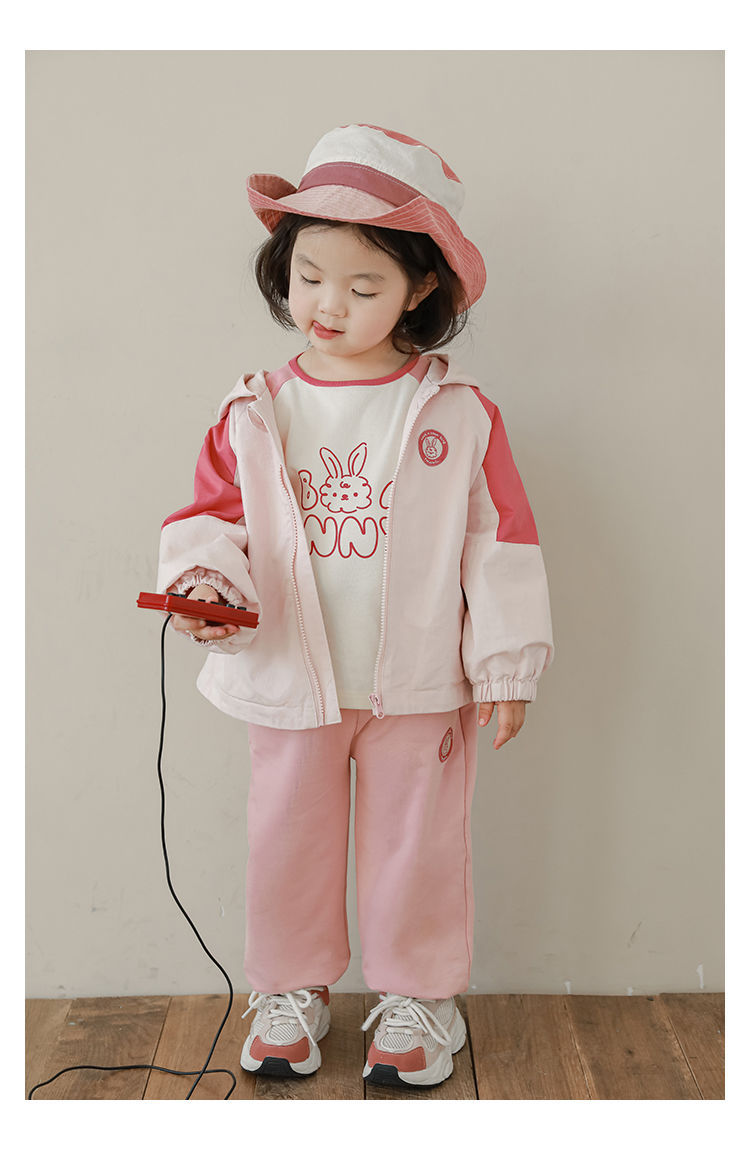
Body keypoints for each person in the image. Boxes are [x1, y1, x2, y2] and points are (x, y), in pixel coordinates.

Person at [156, 123, 554, 1089]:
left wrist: (507, 666)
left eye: (364, 286)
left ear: (421, 290)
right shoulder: (256, 407)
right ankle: (289, 991)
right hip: (291, 679)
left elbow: (499, 543)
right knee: (285, 839)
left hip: (418, 681)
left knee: (418, 846)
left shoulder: (459, 413)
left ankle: (420, 999)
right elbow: (210, 521)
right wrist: (206, 589)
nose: (328, 305)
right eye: (309, 277)